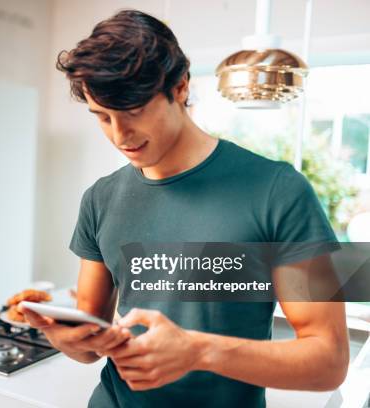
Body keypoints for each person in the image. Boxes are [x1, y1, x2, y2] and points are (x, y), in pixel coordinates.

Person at [19, 9, 348, 408]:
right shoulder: (100, 198)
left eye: (134, 111)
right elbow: (90, 343)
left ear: (179, 87)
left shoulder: (278, 191)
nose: (119, 136)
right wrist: (63, 338)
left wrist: (197, 350)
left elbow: (328, 360)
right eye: (103, 117)